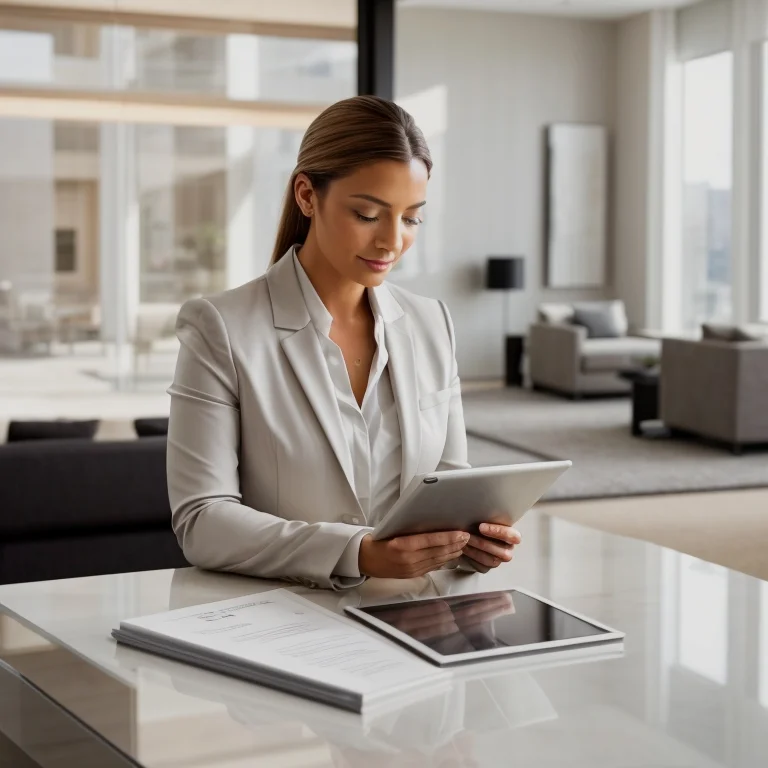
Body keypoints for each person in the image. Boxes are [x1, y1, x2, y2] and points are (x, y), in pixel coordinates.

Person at [167, 95, 521, 590]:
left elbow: (447, 485)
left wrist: (469, 542)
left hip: (410, 618)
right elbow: (202, 521)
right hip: (279, 620)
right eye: (368, 214)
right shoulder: (219, 327)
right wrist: (359, 553)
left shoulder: (430, 322)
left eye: (412, 218)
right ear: (307, 196)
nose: (392, 242)